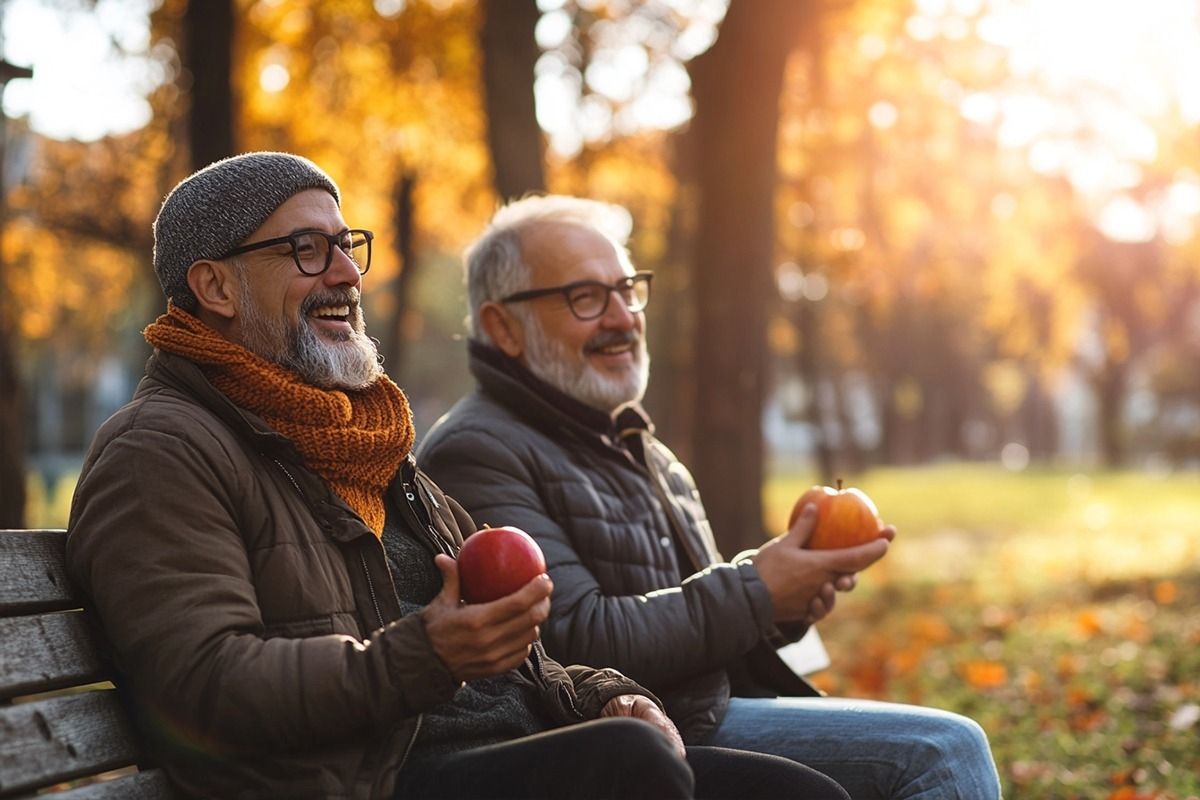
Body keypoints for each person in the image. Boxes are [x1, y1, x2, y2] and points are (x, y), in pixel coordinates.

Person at [65, 154, 852, 800]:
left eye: (347, 245)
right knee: (627, 769)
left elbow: (520, 649)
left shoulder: (362, 440)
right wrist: (422, 657)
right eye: (307, 250)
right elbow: (208, 684)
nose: (346, 272)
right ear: (215, 286)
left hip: (498, 752)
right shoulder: (160, 453)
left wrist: (598, 692)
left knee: (799, 794)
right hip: (372, 780)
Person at [417, 194, 1005, 800]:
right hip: (640, 739)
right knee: (943, 752)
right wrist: (759, 587)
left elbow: (694, 619)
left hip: (706, 707)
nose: (622, 316)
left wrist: (783, 603)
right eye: (586, 297)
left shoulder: (632, 442)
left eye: (627, 289)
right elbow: (569, 638)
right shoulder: (477, 451)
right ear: (503, 327)